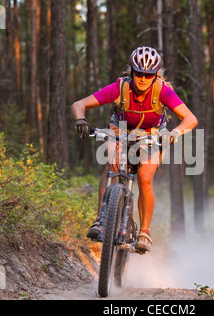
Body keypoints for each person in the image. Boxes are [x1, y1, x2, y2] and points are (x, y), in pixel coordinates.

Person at [70, 46, 197, 252]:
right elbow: (79, 104)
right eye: (139, 73)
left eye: (148, 75)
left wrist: (173, 134)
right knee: (111, 164)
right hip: (120, 129)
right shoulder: (120, 88)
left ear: (155, 75)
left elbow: (191, 119)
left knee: (145, 178)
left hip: (152, 134)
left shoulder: (163, 90)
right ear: (132, 71)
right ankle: (101, 220)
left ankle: (144, 232)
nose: (143, 79)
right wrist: (81, 119)